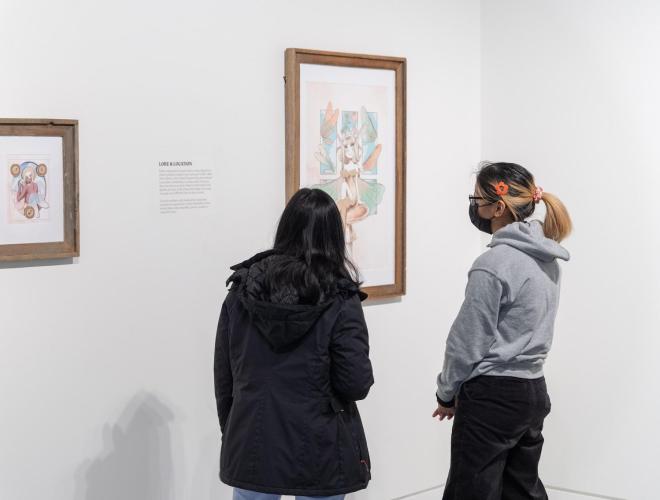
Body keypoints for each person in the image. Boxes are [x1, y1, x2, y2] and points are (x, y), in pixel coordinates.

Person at [214, 188, 373, 500]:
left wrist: (233, 430)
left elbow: (225, 377)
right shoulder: (340, 298)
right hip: (321, 445)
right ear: (333, 237)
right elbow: (355, 383)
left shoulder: (241, 292)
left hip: (252, 440)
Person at [433, 162, 572, 499]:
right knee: (521, 491)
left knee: (472, 492)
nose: (474, 206)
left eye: (477, 198)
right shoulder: (548, 260)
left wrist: (446, 392)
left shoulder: (492, 265)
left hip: (492, 396)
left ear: (498, 207)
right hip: (533, 392)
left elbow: (467, 340)